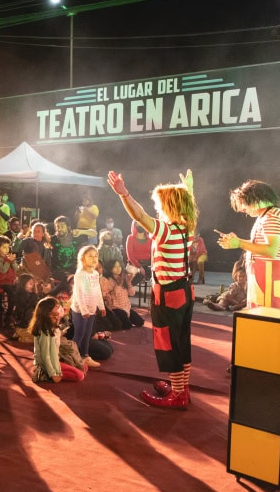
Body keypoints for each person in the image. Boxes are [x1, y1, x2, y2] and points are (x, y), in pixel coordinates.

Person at [108, 168, 198, 410]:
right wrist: (188, 190)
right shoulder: (187, 228)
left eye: (160, 204)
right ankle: (182, 388)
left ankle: (177, 394)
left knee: (169, 343)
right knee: (182, 341)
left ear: (169, 206)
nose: (157, 208)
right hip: (185, 291)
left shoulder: (165, 231)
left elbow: (139, 216)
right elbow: (187, 207)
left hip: (168, 295)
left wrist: (124, 194)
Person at [217, 180, 280, 309]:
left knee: (266, 315)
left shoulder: (272, 216)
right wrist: (237, 241)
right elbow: (260, 245)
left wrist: (239, 243)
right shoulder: (265, 216)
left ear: (255, 198)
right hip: (262, 275)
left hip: (269, 275)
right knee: (257, 313)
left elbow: (271, 250)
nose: (243, 210)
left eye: (243, 204)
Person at [30, 296, 86, 383]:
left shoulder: (53, 326)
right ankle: (44, 374)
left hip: (55, 360)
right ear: (48, 312)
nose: (60, 308)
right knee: (80, 376)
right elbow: (45, 356)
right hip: (48, 364)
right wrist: (53, 374)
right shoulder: (45, 331)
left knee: (84, 367)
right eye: (56, 307)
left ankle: (58, 371)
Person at [70, 245, 106, 369]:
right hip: (80, 310)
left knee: (87, 334)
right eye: (90, 256)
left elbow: (97, 291)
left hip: (91, 309)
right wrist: (84, 310)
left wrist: (101, 306)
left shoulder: (95, 274)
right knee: (79, 335)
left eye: (96, 256)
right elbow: (79, 294)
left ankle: (85, 356)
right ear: (83, 258)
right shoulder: (80, 274)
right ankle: (71, 357)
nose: (94, 258)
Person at [100, 258, 145, 329]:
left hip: (126, 307)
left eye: (119, 266)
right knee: (128, 326)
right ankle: (118, 320)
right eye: (115, 267)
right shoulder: (108, 280)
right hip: (115, 308)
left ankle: (123, 319)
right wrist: (119, 284)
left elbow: (132, 293)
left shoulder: (123, 278)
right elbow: (106, 295)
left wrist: (128, 283)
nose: (118, 268)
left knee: (140, 322)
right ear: (110, 268)